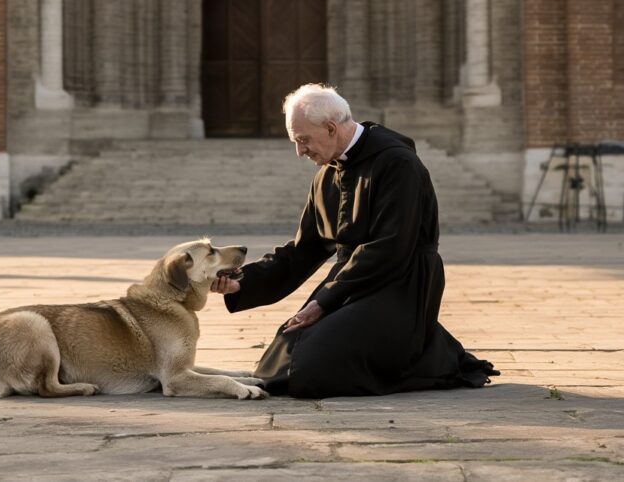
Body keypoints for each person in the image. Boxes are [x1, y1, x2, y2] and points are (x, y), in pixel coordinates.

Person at [210, 83, 498, 398]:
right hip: (351, 284)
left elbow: (390, 247)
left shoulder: (398, 164)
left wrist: (324, 302)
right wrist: (244, 281)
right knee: (280, 361)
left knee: (312, 368)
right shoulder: (325, 175)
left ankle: (430, 355)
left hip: (400, 283)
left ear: (331, 128)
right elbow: (304, 250)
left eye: (303, 140)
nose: (300, 151)